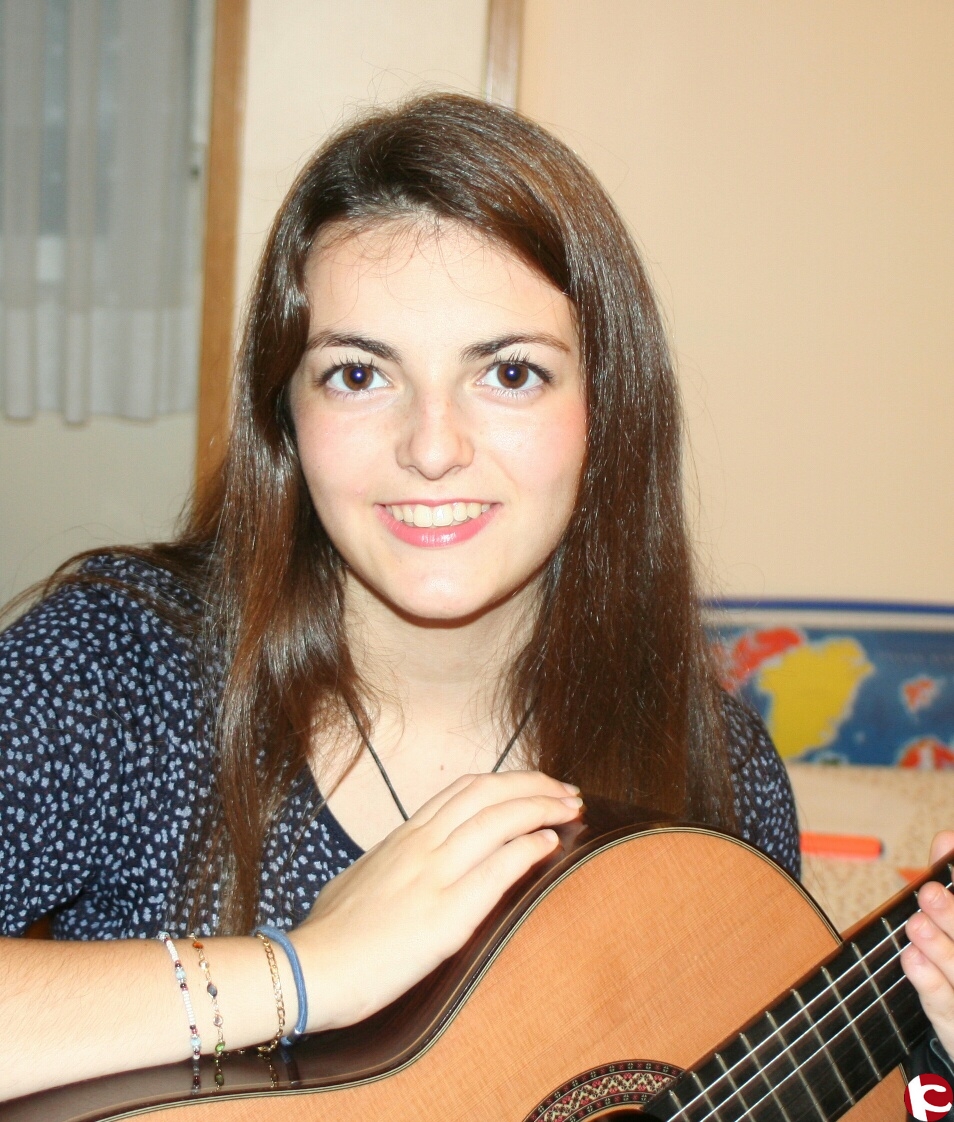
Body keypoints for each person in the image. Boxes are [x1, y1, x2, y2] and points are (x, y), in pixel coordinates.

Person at [0, 93, 951, 1102]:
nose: (432, 446)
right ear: (287, 416)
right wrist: (306, 972)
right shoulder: (117, 669)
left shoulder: (708, 764)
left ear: (605, 409)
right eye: (358, 375)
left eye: (510, 372)